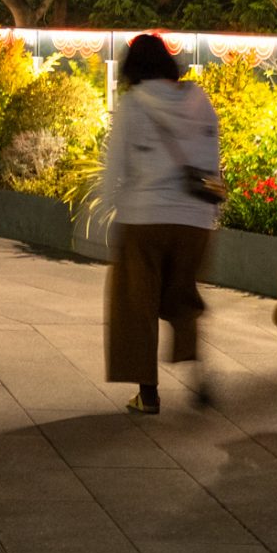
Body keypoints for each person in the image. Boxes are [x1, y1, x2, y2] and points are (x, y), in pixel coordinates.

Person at [99, 33, 224, 415]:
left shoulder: (133, 105)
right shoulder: (199, 100)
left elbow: (115, 167)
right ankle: (199, 372)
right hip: (194, 221)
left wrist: (105, 213)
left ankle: (148, 394)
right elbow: (212, 160)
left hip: (144, 219)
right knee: (183, 299)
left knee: (137, 306)